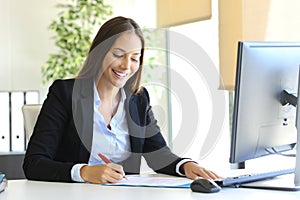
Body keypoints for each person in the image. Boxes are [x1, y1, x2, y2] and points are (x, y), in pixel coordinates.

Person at [23, 16, 220, 184]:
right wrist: (84, 172)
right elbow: (34, 163)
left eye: (135, 58)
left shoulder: (138, 99)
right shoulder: (65, 93)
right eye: (118, 55)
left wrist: (186, 165)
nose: (126, 66)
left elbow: (158, 154)